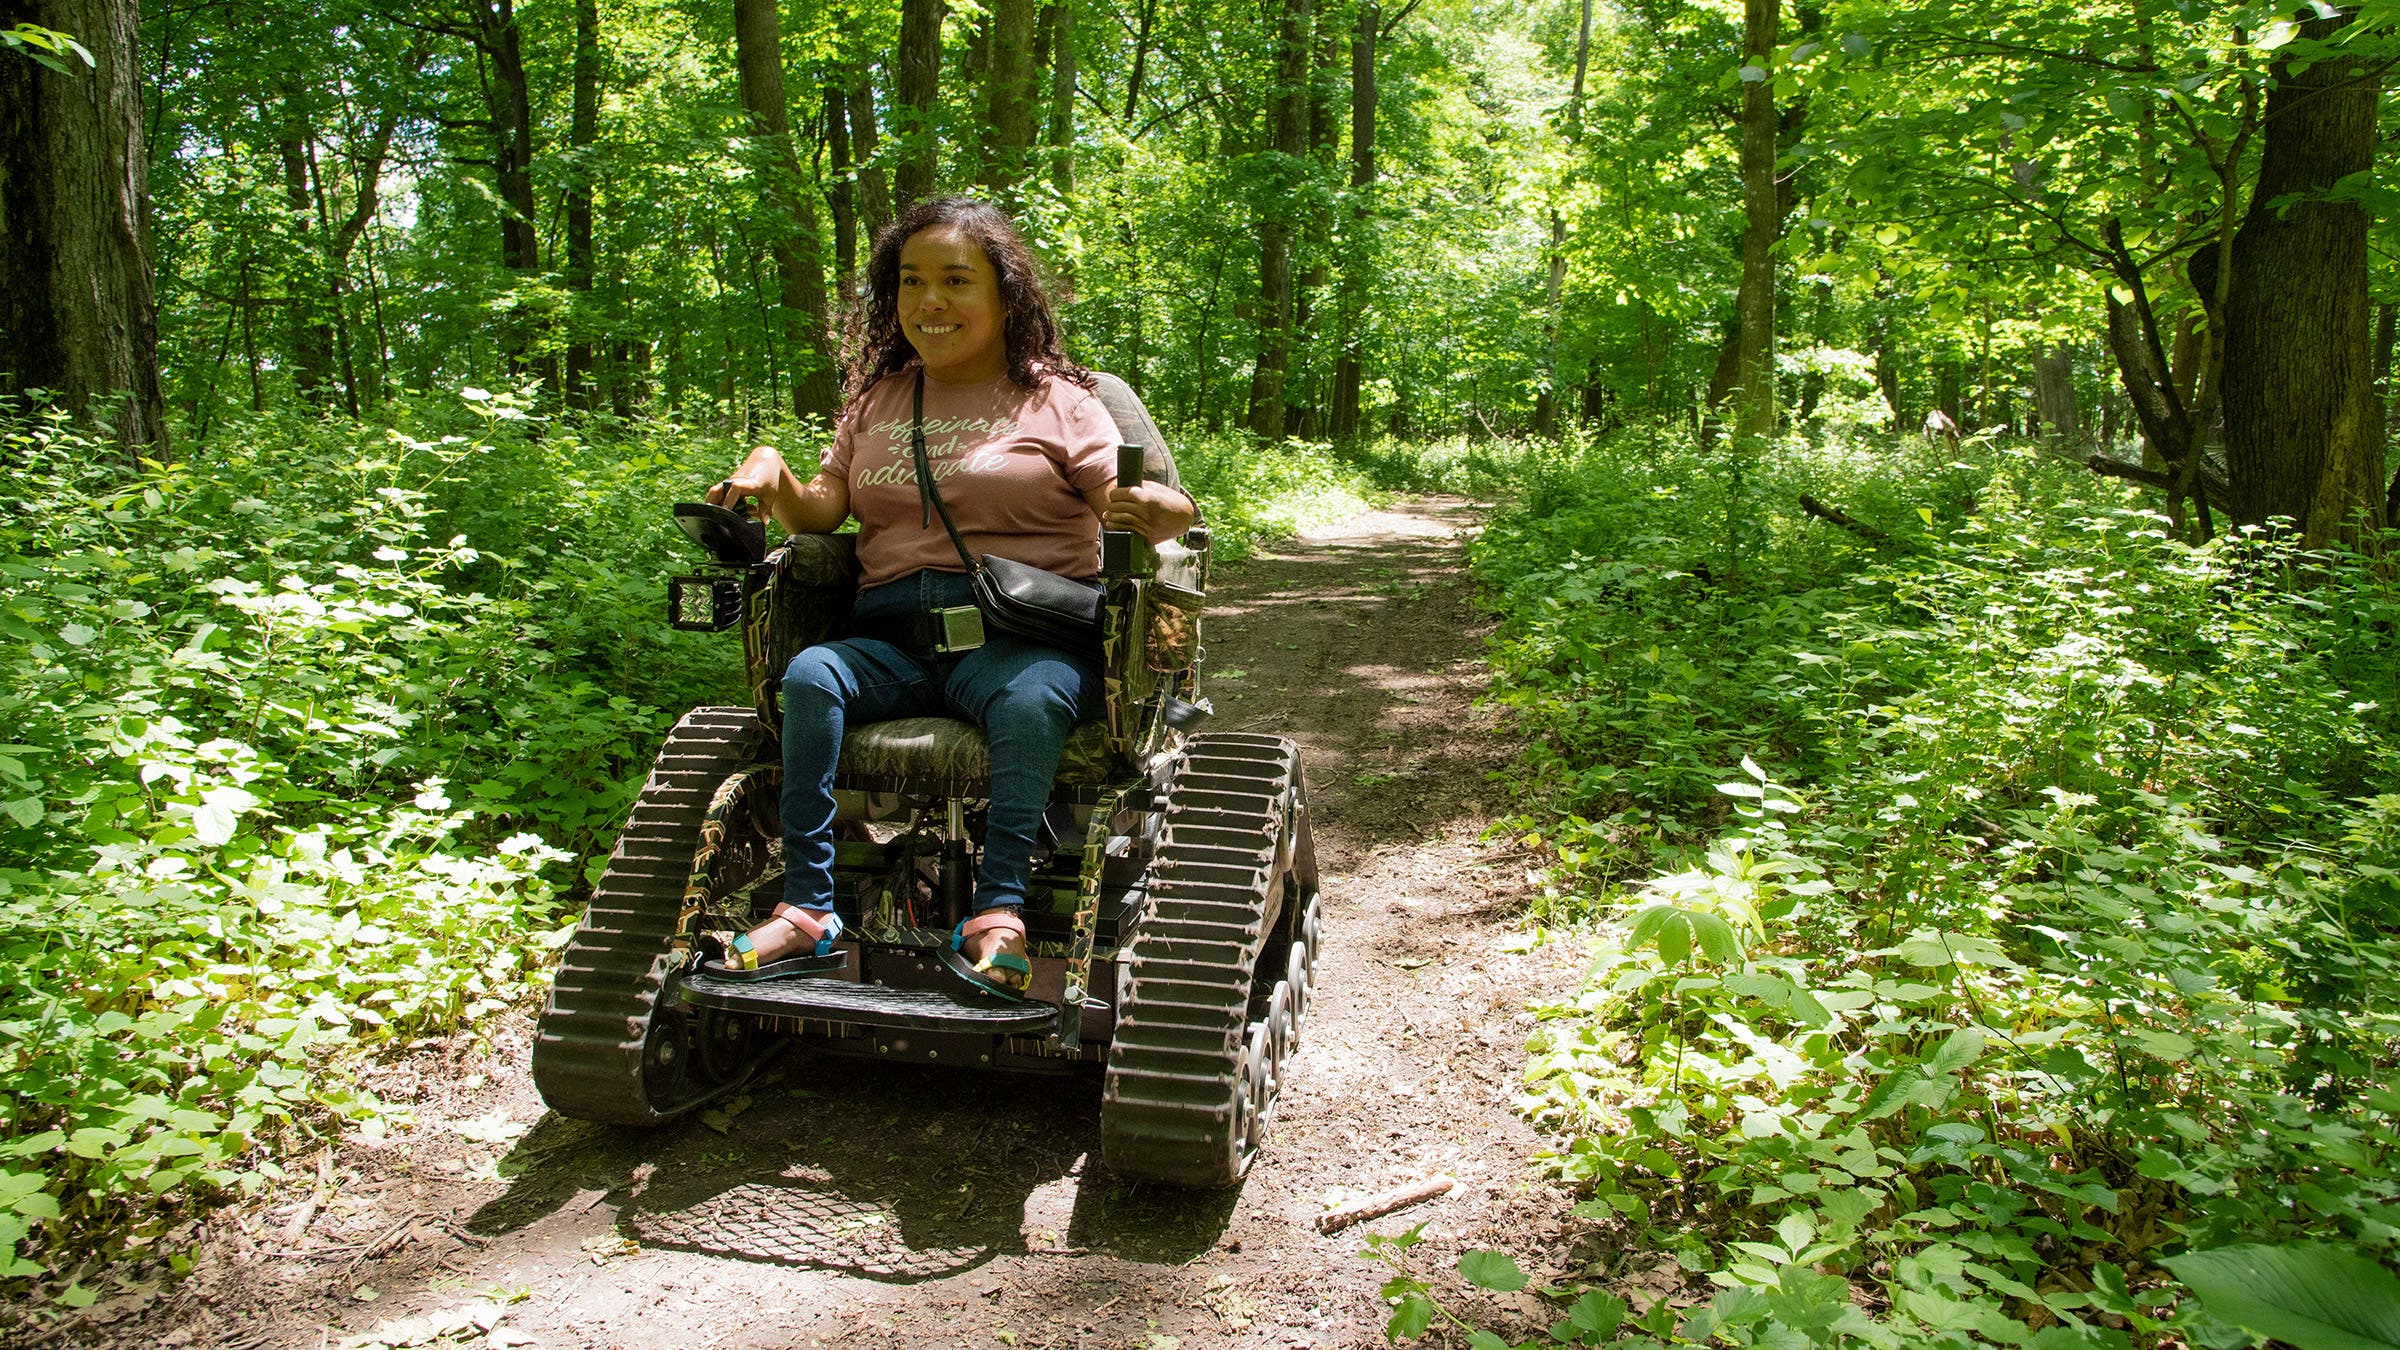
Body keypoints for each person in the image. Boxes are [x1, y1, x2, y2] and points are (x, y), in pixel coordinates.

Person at [703, 196, 1196, 996]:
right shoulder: (880, 399)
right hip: (894, 639)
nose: (929, 302)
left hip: (1018, 641)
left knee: (1032, 700)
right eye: (911, 281)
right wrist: (774, 474)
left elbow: (1126, 496)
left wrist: (1164, 511)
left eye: (956, 281)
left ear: (1006, 297)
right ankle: (808, 910)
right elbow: (828, 506)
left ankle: (998, 912)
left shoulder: (1059, 399)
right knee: (810, 676)